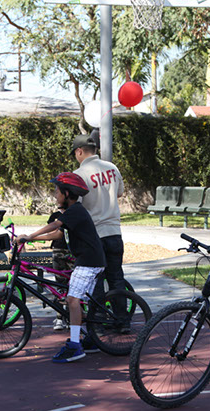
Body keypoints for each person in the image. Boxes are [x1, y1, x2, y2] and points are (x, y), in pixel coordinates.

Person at [16, 172, 105, 363]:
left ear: (67, 193)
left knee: (72, 299)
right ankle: (90, 338)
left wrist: (29, 236)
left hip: (89, 261)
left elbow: (55, 224)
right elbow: (58, 234)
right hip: (88, 260)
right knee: (78, 300)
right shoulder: (72, 213)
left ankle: (75, 345)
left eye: (57, 191)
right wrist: (30, 238)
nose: (55, 194)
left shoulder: (76, 211)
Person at [71, 134, 127, 323]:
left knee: (95, 281)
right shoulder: (112, 167)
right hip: (114, 231)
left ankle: (99, 322)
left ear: (79, 152)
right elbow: (120, 192)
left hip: (94, 235)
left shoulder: (79, 175)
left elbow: (76, 205)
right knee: (116, 278)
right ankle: (122, 320)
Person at [46, 209, 75, 331]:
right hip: (64, 251)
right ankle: (63, 318)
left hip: (66, 251)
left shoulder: (70, 215)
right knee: (64, 286)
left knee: (66, 286)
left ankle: (64, 318)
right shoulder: (62, 215)